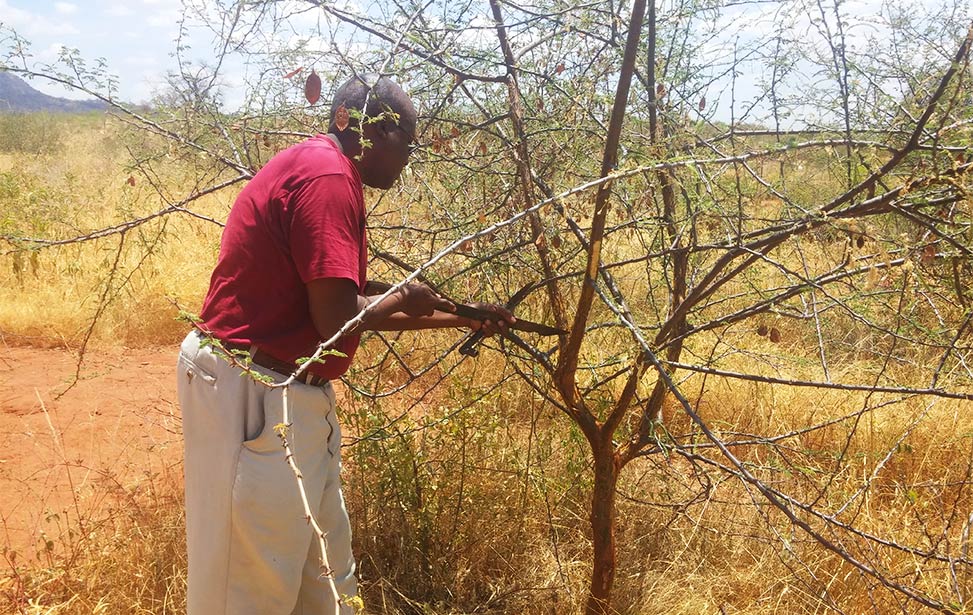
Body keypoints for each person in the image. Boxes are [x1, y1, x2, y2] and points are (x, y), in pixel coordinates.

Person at [176, 73, 514, 615]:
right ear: (360, 128)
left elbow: (342, 300)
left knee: (326, 580)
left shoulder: (322, 170)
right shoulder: (328, 176)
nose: (407, 157)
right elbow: (337, 316)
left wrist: (461, 316)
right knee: (247, 589)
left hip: (289, 396)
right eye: (403, 141)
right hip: (253, 394)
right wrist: (407, 296)